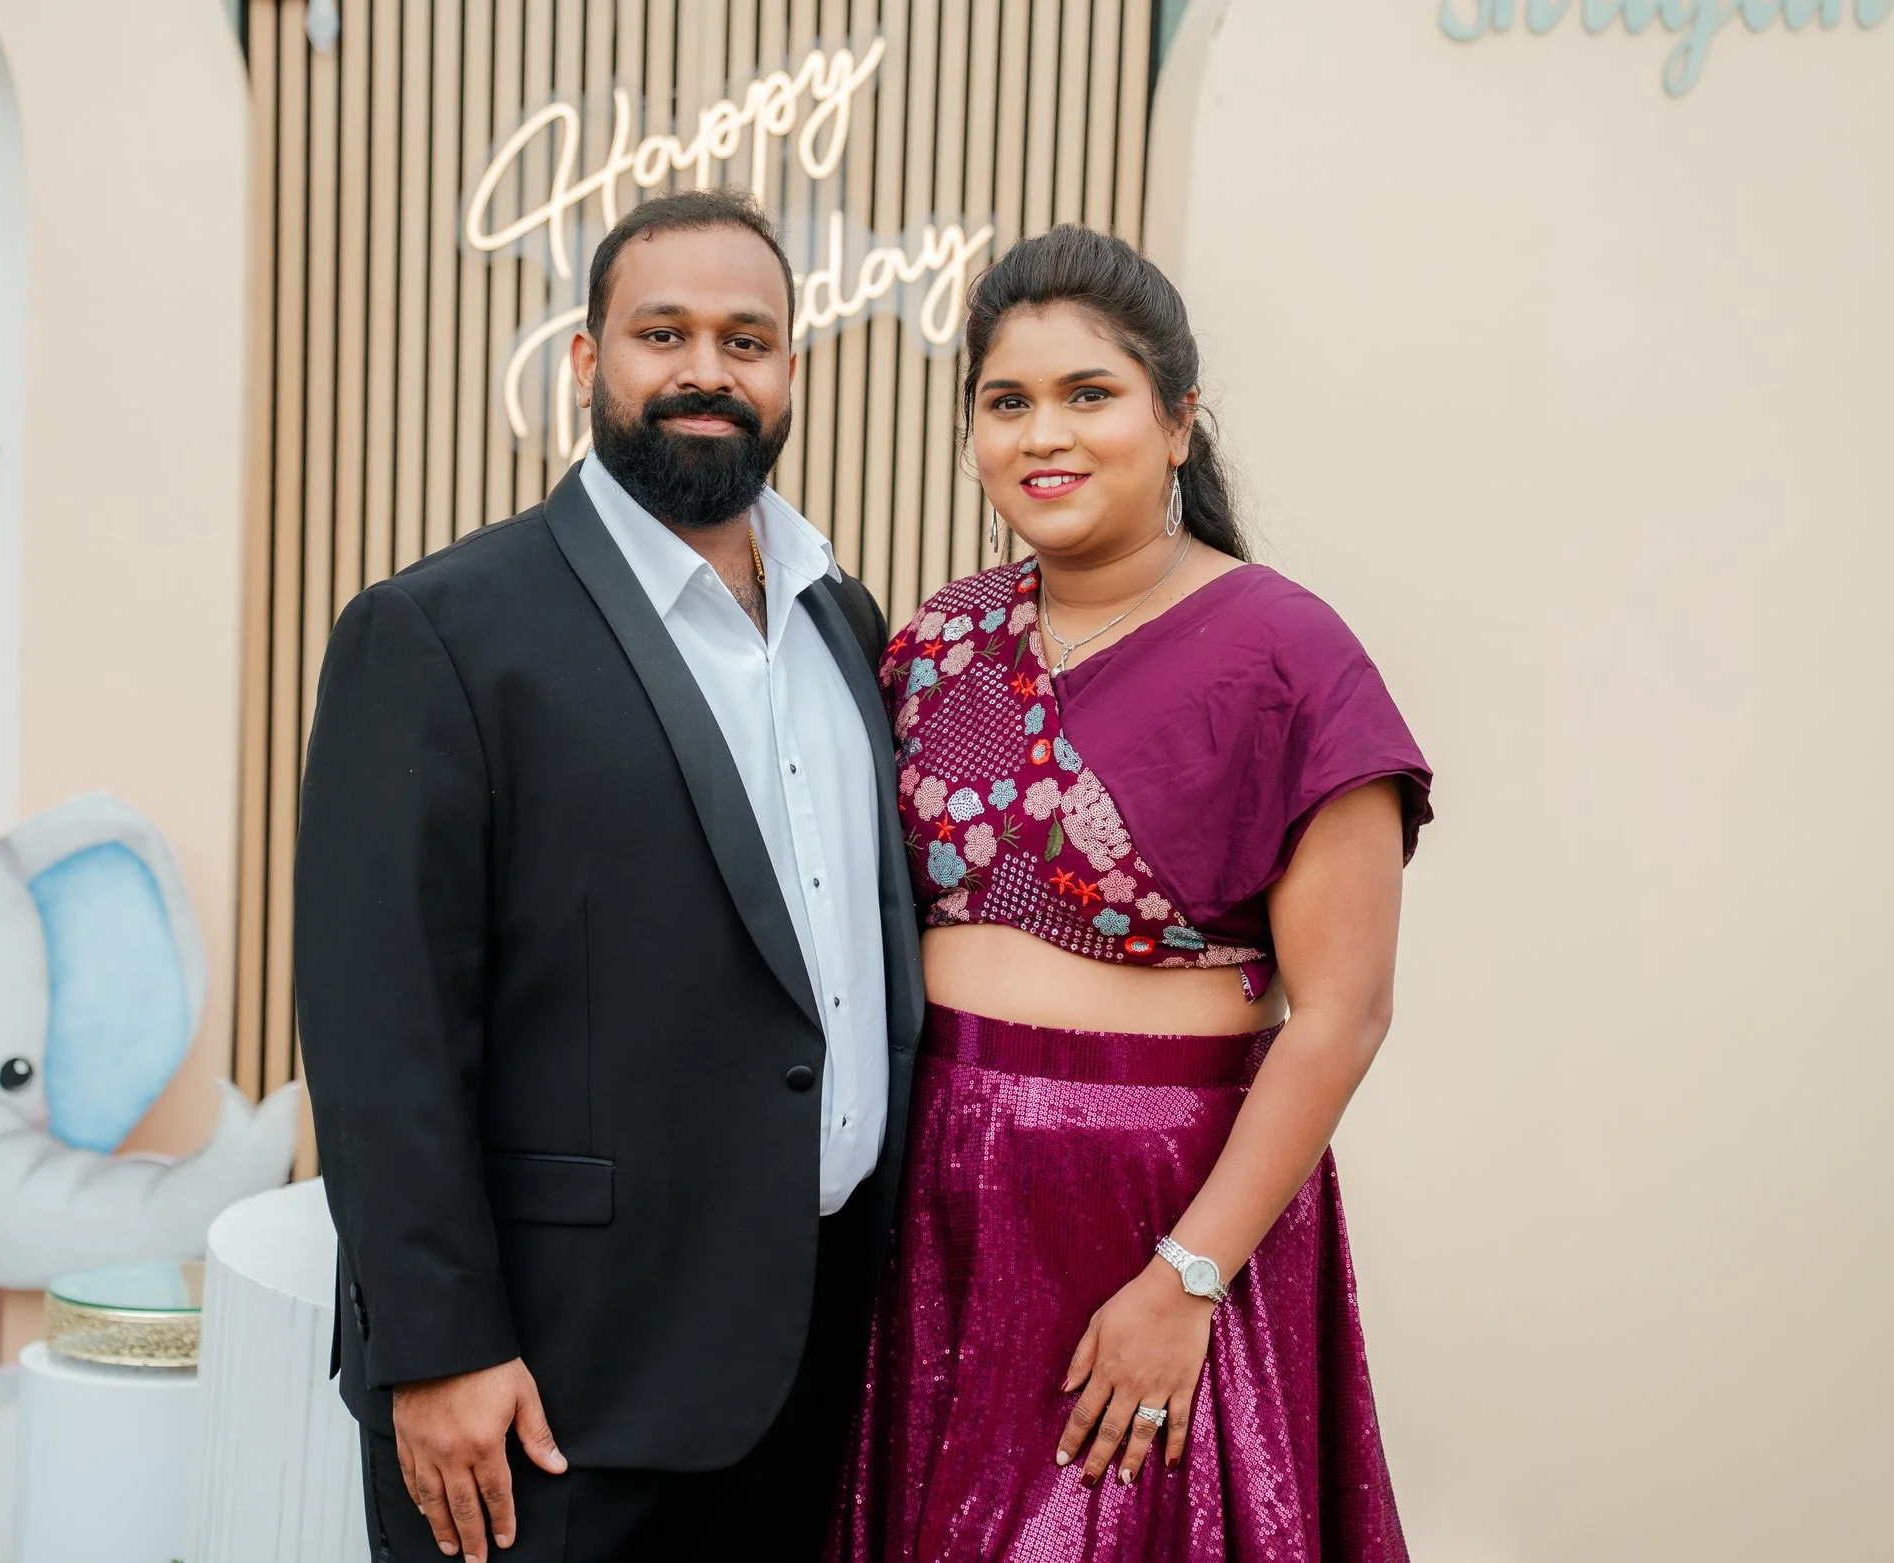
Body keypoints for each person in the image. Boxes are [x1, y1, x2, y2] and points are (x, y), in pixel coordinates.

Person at [293, 187, 922, 1563]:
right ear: (587, 361)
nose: (707, 370)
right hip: (545, 1392)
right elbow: (377, 1030)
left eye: (746, 340)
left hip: (808, 1368)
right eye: (663, 332)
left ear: (792, 370)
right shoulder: (439, 632)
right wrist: (439, 1345)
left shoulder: (842, 618)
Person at [830, 225, 1431, 1561]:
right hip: (937, 1198)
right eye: (1007, 401)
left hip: (1154, 1203)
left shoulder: (1289, 655)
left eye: (1088, 394)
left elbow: (1343, 1014)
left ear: (1177, 421)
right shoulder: (939, 641)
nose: (1043, 434)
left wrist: (1188, 1275)